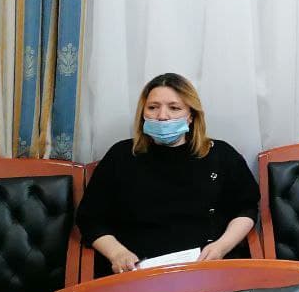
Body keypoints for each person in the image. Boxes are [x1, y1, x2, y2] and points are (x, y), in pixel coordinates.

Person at [75, 73, 259, 274]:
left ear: (191, 116)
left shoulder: (220, 155)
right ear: (143, 113)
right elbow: (90, 219)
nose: (162, 116)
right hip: (138, 272)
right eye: (153, 107)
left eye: (174, 108)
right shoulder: (120, 156)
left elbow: (247, 209)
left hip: (208, 269)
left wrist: (221, 247)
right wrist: (118, 253)